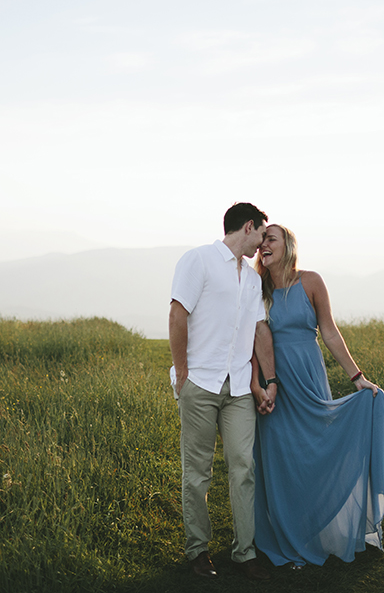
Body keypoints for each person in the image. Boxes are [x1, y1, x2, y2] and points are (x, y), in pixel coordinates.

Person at [251, 224, 384, 568]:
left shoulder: (311, 281)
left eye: (271, 239)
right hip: (274, 382)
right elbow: (252, 338)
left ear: (288, 245)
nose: (263, 246)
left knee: (314, 452)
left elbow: (329, 332)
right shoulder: (256, 288)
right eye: (261, 242)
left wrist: (357, 377)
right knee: (281, 460)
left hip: (308, 375)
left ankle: (320, 531)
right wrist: (258, 385)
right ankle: (288, 535)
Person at [168, 202, 276, 581]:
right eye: (262, 234)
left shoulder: (251, 279)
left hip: (239, 389)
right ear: (249, 227)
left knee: (242, 468)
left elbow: (259, 330)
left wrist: (269, 382)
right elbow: (177, 313)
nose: (263, 243)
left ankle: (244, 552)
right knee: (197, 472)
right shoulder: (198, 260)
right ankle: (198, 550)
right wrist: (182, 373)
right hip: (199, 383)